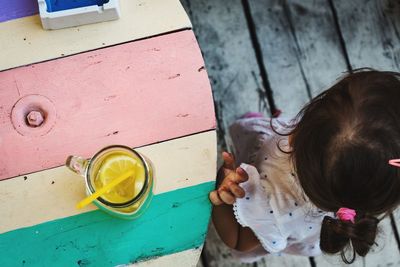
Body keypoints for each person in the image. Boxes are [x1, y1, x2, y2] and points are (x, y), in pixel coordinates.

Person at [209, 70, 400, 264]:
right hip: (293, 207)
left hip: (254, 198)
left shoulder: (274, 207)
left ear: (295, 134)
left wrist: (222, 187)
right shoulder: (361, 183)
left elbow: (239, 239)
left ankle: (253, 134)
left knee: (252, 148)